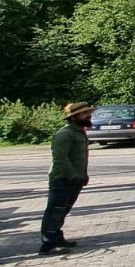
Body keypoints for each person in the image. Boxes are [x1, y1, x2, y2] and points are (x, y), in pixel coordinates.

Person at [40, 101, 94, 254]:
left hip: (74, 179)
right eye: (85, 114)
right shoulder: (65, 134)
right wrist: (73, 176)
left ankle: (57, 237)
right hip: (62, 179)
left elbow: (80, 157)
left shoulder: (79, 132)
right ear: (74, 117)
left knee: (62, 211)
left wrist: (82, 175)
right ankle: (48, 244)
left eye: (89, 113)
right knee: (55, 211)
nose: (88, 116)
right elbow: (60, 158)